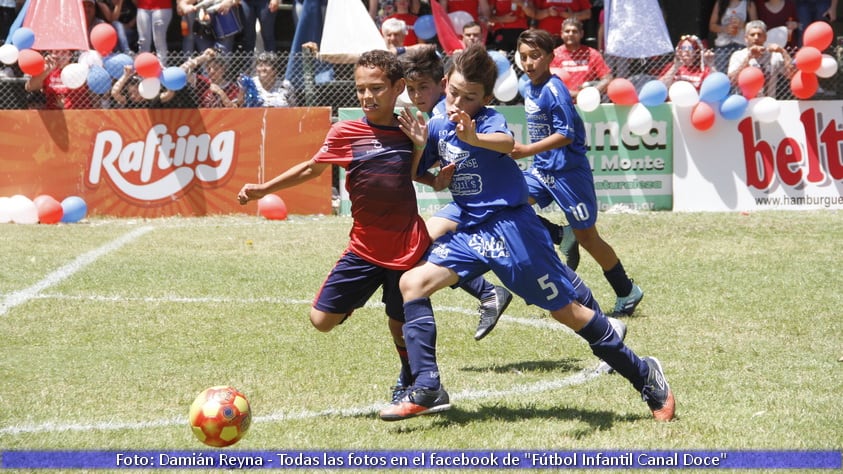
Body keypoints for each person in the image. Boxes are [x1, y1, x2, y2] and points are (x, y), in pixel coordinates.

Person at [378, 43, 675, 423]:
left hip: (513, 231)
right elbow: (424, 177)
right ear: (445, 85)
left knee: (568, 313)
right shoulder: (437, 124)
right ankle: (427, 384)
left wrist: (473, 138)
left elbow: (506, 143)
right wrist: (421, 148)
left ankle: (643, 373)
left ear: (485, 98)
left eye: (469, 97)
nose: (457, 103)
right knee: (412, 284)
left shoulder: (487, 122)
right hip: (471, 230)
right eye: (453, 92)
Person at [238, 49, 430, 406]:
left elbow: (423, 175)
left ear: (397, 87)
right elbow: (312, 168)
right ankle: (358, 298)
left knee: (398, 323)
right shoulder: (347, 132)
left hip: (405, 246)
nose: (367, 96)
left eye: (376, 88)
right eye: (361, 89)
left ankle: (409, 377)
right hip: (364, 248)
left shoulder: (411, 129)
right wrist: (264, 189)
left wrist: (420, 145)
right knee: (321, 319)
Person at [515, 28, 643, 317]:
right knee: (511, 203)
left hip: (568, 175)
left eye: (535, 56)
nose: (529, 63)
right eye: (523, 57)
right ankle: (561, 233)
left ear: (550, 56)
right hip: (541, 170)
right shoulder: (528, 86)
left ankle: (627, 291)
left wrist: (526, 150)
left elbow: (567, 134)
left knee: (589, 239)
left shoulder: (554, 89)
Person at [400, 44, 513, 342]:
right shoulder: (435, 118)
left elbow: (504, 143)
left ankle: (555, 233)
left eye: (422, 87)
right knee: (421, 242)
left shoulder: (455, 113)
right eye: (410, 89)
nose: (415, 96)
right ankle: (489, 292)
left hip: (495, 207)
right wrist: (435, 181)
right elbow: (420, 168)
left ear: (442, 83)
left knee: (547, 280)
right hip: (467, 205)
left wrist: (474, 138)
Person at [727, 19, 795, 98]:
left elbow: (792, 75)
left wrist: (783, 52)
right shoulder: (738, 55)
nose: (756, 38)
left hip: (767, 104)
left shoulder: (774, 55)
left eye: (759, 35)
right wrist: (749, 58)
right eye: (752, 35)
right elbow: (732, 80)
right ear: (746, 38)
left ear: (765, 37)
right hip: (745, 103)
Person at [550, 18, 612, 100]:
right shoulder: (554, 55)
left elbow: (607, 78)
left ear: (581, 34)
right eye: (567, 31)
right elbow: (547, 82)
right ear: (561, 34)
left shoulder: (592, 54)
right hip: (561, 101)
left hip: (588, 101)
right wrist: (572, 94)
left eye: (574, 31)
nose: (571, 34)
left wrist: (592, 92)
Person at [24, 50, 95, 109]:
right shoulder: (47, 71)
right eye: (56, 52)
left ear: (70, 55)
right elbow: (29, 87)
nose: (60, 55)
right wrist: (46, 71)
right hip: (55, 116)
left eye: (64, 52)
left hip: (78, 115)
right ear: (52, 54)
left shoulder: (77, 70)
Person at [709, 0, 758, 74]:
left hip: (741, 46)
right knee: (721, 74)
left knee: (740, 74)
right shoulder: (720, 3)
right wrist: (724, 29)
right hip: (722, 46)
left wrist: (742, 25)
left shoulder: (748, 3)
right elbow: (712, 26)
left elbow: (756, 26)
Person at [110, 64, 176, 107]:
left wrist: (163, 76)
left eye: (136, 92)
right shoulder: (128, 101)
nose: (133, 95)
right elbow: (114, 92)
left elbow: (169, 94)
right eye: (130, 93)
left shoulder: (151, 99)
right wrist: (126, 75)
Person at [135, 0, 173, 64]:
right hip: (143, 7)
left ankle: (162, 66)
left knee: (159, 40)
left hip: (162, 6)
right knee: (143, 40)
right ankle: (143, 66)